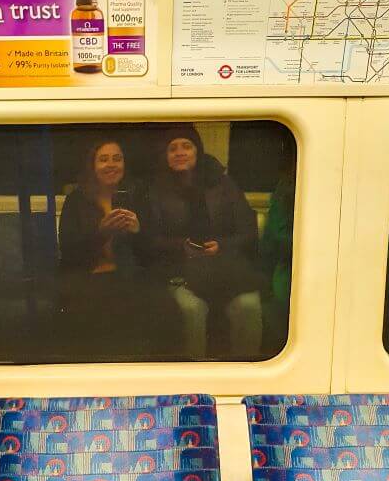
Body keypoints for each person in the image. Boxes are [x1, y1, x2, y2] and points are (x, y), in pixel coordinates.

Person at [141, 125, 262, 359]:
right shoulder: (155, 189)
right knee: (191, 310)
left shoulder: (223, 183)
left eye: (186, 146)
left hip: (226, 269)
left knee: (249, 306)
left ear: (197, 151)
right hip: (179, 273)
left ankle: (247, 376)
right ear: (165, 157)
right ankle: (194, 382)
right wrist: (181, 247)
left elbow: (248, 230)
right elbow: (149, 239)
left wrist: (222, 246)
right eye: (172, 148)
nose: (180, 152)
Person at [57, 138, 158, 359]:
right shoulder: (77, 199)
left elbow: (151, 253)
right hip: (87, 276)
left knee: (149, 305)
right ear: (92, 166)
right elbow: (68, 250)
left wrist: (138, 230)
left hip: (128, 275)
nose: (111, 164)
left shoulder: (137, 195)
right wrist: (100, 232)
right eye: (103, 159)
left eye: (117, 159)